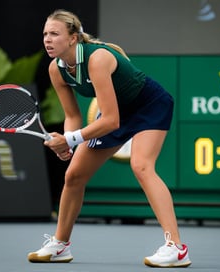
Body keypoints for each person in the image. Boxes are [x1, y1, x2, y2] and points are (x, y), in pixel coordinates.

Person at [27, 9, 192, 268]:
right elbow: (72, 115)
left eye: (55, 34)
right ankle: (60, 245)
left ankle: (176, 247)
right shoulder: (56, 69)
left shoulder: (98, 59)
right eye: (45, 34)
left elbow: (111, 121)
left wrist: (70, 140)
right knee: (73, 175)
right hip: (113, 112)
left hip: (149, 106)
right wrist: (68, 141)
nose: (48, 39)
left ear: (72, 38)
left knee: (142, 166)